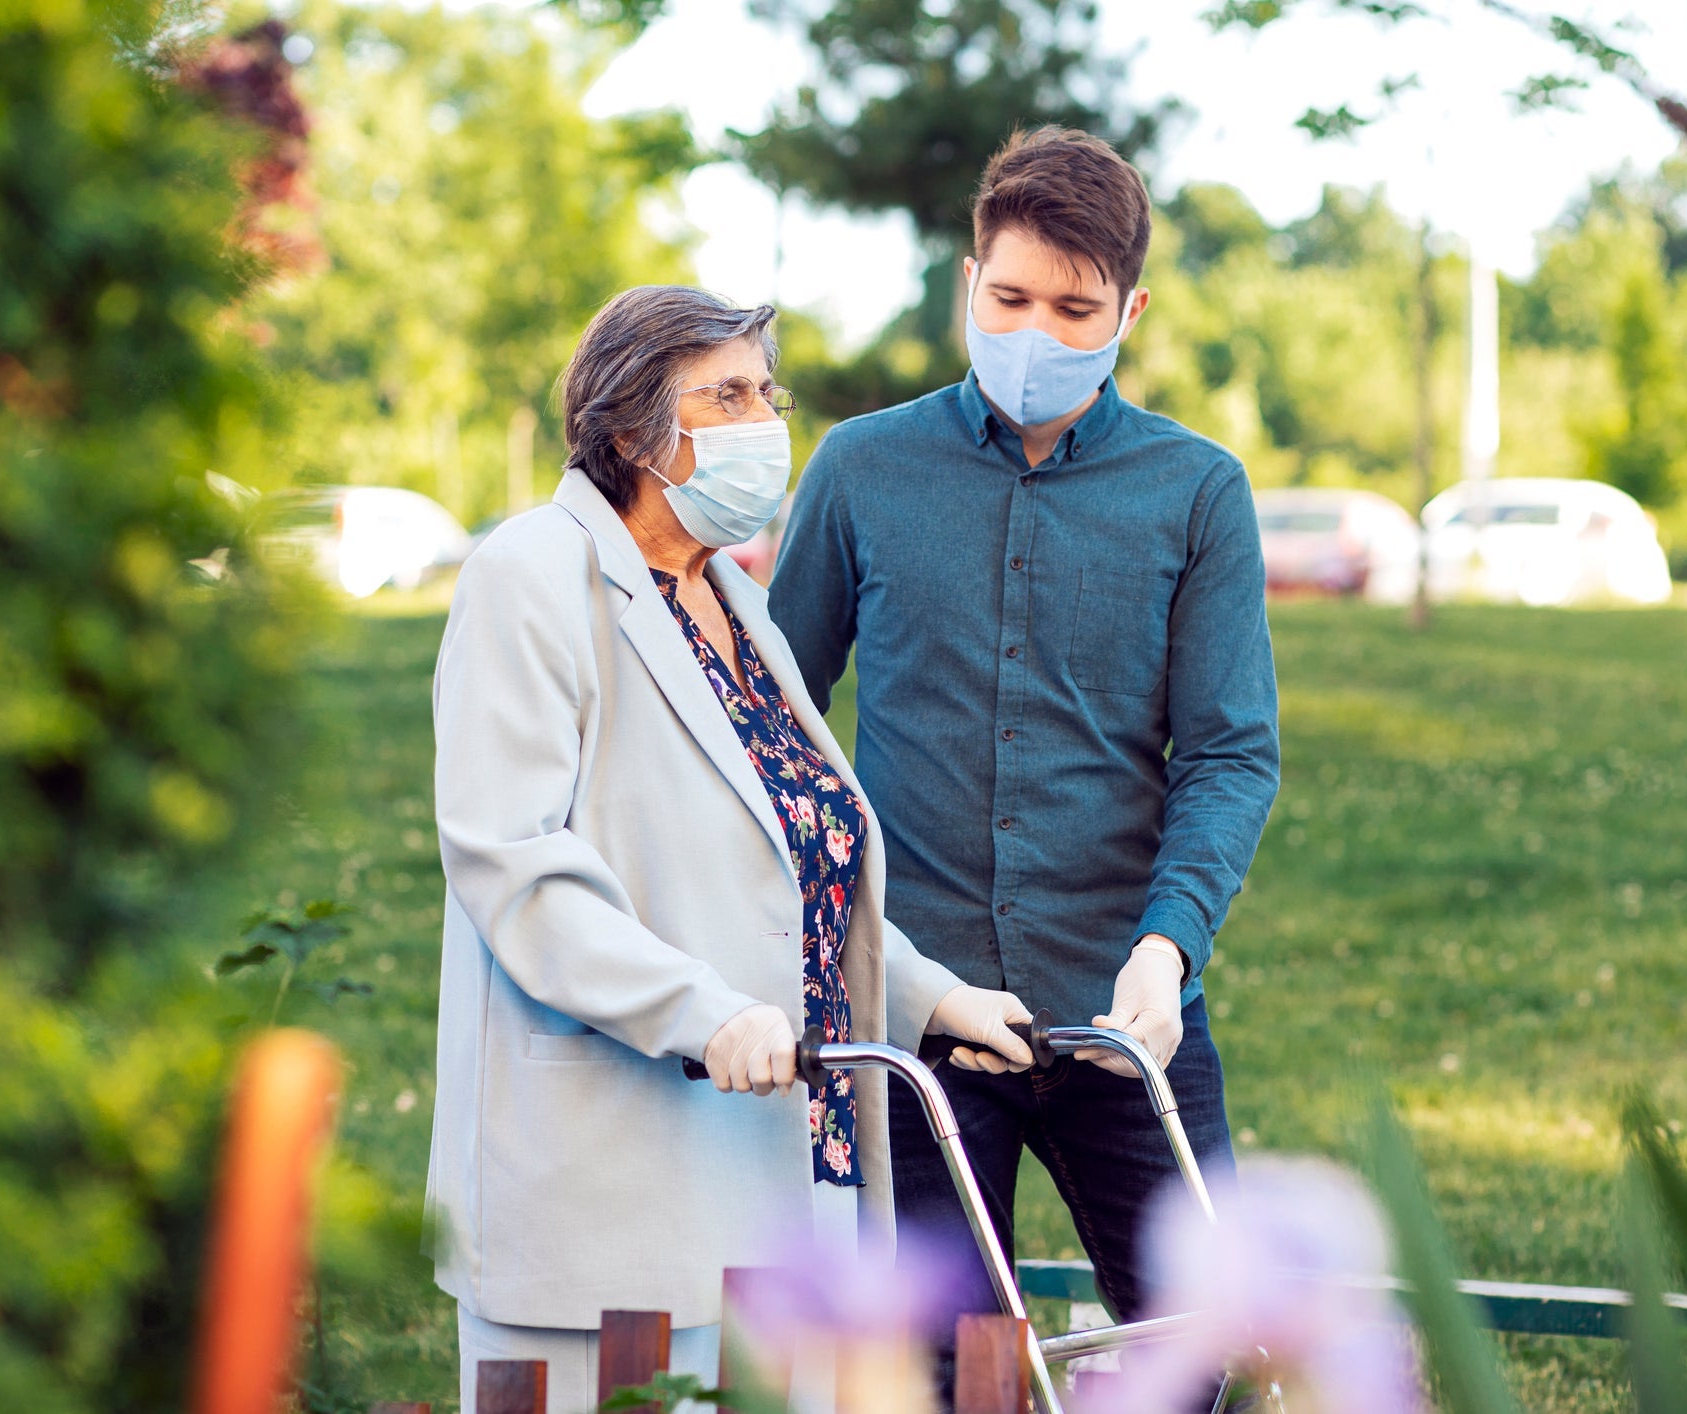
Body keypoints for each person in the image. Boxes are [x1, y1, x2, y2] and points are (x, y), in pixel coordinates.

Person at [425, 285, 1036, 1414]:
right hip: (610, 1170)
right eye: (727, 395)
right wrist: (703, 1014)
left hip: (780, 1163)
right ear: (627, 432)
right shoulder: (533, 576)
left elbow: (798, 873)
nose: (765, 419)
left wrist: (935, 999)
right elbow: (514, 865)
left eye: (767, 391)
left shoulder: (731, 601)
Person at [768, 127, 1281, 1382]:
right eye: (1009, 298)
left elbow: (1228, 753)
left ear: (1131, 309)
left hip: (1128, 1015)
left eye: (1074, 307)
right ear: (968, 284)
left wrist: (1169, 948)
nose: (1035, 334)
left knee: (1208, 1358)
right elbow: (774, 727)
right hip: (922, 1019)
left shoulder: (1199, 491)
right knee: (939, 1377)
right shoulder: (859, 471)